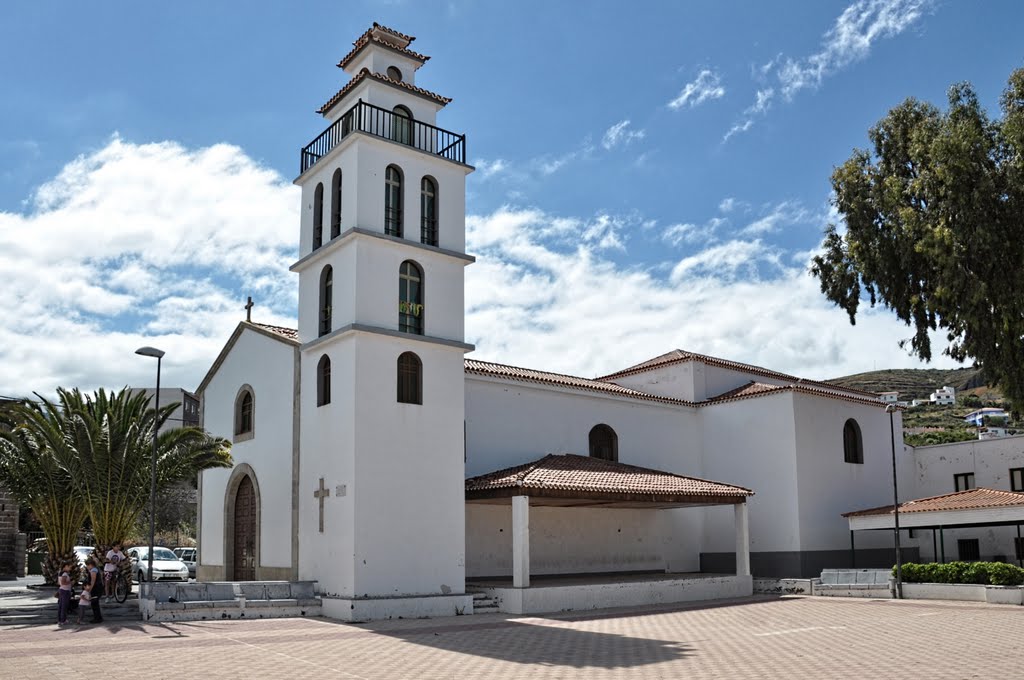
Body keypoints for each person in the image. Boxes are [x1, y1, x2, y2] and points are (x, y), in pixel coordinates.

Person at [85, 556, 103, 623]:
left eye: (87, 565)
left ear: (90, 565)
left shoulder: (93, 570)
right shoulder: (95, 569)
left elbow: (93, 581)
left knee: (94, 604)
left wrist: (90, 589)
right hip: (97, 588)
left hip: (96, 588)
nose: (87, 567)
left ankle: (97, 618)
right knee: (95, 603)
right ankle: (98, 617)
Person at [56, 562, 73, 626]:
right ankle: (63, 620)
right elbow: (63, 582)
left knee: (61, 606)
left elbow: (59, 583)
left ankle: (60, 620)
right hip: (65, 591)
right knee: (64, 606)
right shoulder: (65, 574)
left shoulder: (60, 573)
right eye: (69, 567)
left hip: (62, 590)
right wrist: (70, 582)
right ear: (65, 566)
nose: (70, 568)